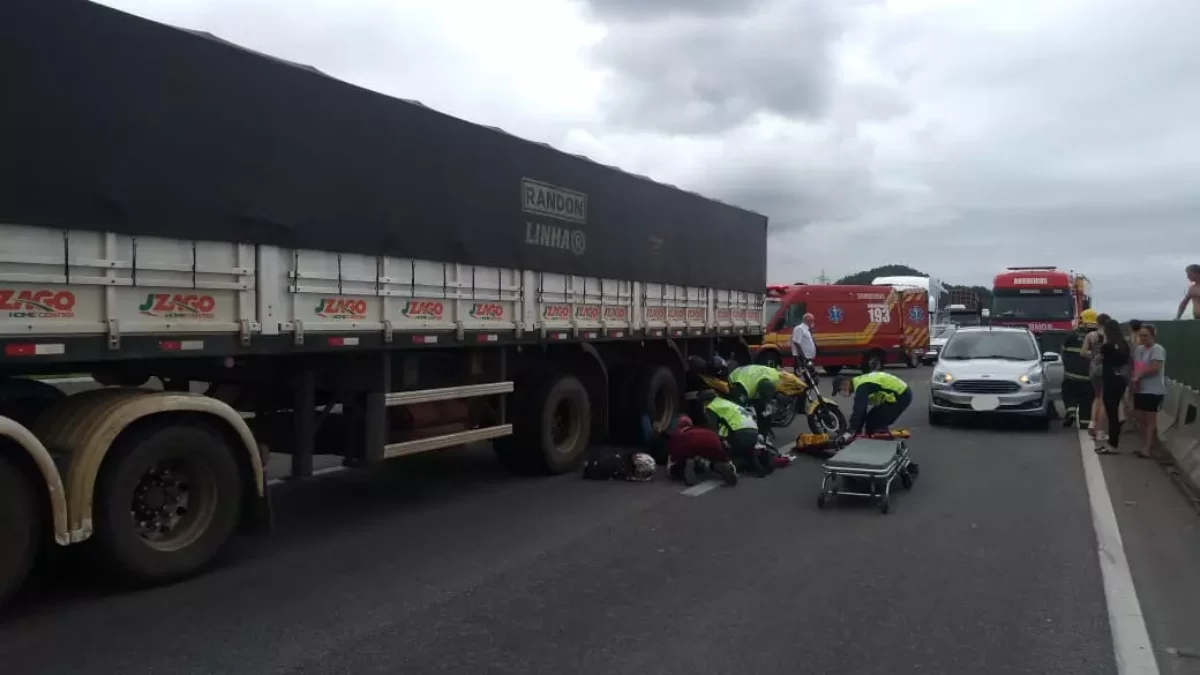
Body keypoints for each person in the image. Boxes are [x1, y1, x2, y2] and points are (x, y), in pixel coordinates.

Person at [701, 391, 773, 477]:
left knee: (724, 451)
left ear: (705, 401)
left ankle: (730, 466)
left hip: (740, 434)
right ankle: (756, 465)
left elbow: (712, 431)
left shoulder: (711, 407)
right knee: (745, 451)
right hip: (754, 432)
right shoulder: (726, 403)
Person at [831, 370, 912, 437]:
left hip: (901, 395)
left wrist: (852, 430)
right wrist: (856, 431)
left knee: (876, 424)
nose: (840, 393)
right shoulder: (858, 383)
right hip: (895, 395)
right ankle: (873, 441)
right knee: (870, 420)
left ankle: (882, 446)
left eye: (839, 390)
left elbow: (859, 411)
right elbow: (861, 411)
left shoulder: (861, 387)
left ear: (845, 384)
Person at [664, 415, 738, 486]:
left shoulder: (678, 435)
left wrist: (674, 466)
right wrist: (726, 459)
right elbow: (724, 444)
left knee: (679, 465)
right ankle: (719, 465)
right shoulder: (705, 430)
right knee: (714, 458)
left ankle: (686, 466)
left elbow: (673, 453)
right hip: (713, 442)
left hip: (689, 446)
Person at [1129, 324, 1167, 459]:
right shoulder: (1139, 350)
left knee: (1150, 419)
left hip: (1153, 390)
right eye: (1141, 335)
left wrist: (1140, 375)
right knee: (1140, 418)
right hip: (1140, 388)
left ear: (1152, 336)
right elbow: (1136, 366)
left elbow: (1155, 367)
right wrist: (1134, 380)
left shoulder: (1157, 350)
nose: (1143, 338)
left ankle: (1147, 448)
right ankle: (1145, 445)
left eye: (1146, 335)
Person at [1095, 318, 1130, 454]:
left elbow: (1098, 360)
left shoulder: (1107, 346)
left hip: (1110, 381)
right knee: (1115, 411)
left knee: (1111, 415)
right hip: (1121, 380)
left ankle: (1112, 444)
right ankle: (1113, 441)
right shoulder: (1124, 345)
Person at [1061, 309, 1098, 429]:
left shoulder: (1071, 334)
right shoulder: (1099, 336)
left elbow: (1062, 351)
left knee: (1068, 393)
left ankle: (1071, 411)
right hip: (1090, 378)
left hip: (1071, 375)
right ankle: (1084, 423)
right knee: (1087, 401)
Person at [726, 363, 782, 433]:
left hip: (753, 374)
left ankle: (763, 431)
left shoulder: (774, 377)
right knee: (738, 409)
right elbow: (738, 407)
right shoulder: (744, 387)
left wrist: (767, 405)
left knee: (763, 407)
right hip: (737, 378)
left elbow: (767, 398)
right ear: (758, 392)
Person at [1081, 312, 1110, 439]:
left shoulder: (1090, 335)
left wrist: (1093, 357)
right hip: (1107, 369)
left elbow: (1083, 352)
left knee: (1097, 397)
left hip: (1093, 368)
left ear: (1097, 322)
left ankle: (1092, 424)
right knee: (1104, 399)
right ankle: (1100, 430)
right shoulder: (1110, 336)